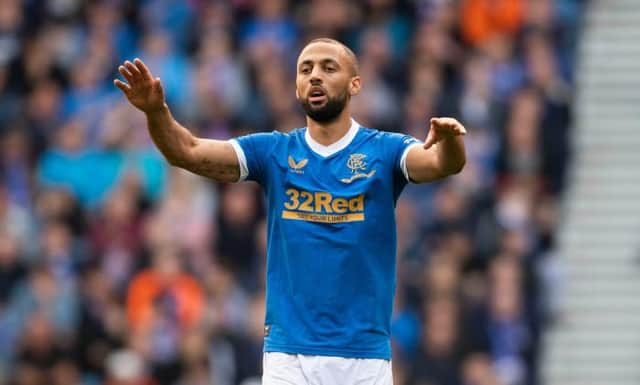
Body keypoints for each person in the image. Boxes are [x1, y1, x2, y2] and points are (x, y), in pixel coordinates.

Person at [114, 37, 466, 385]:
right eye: (305, 69)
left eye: (329, 68)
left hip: (363, 357)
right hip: (288, 356)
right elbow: (186, 152)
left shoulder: (384, 151)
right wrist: (155, 112)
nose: (315, 76)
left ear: (355, 84)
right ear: (297, 87)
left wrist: (449, 142)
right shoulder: (274, 152)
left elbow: (438, 163)